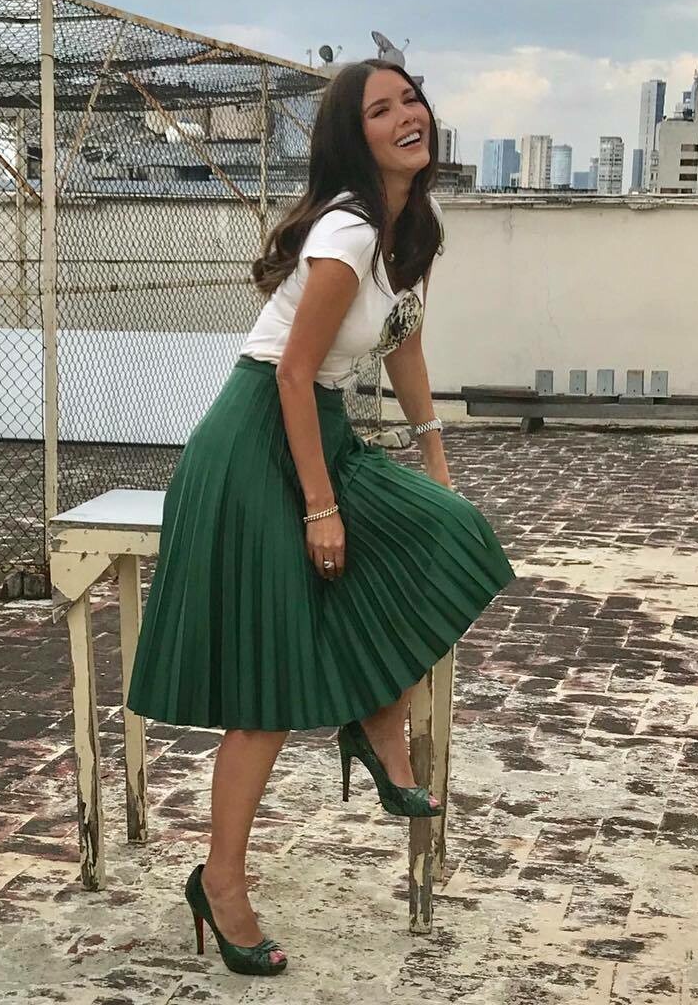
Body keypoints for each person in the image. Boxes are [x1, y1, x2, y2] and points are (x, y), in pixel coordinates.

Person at [125, 58, 516, 976]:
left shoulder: (408, 228)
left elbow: (404, 346)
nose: (408, 115)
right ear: (354, 136)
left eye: (412, 99)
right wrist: (321, 509)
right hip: (258, 435)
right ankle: (221, 883)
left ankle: (377, 717)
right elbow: (294, 374)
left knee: (451, 533)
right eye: (382, 109)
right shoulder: (347, 230)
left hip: (317, 429)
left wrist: (436, 462)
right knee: (264, 691)